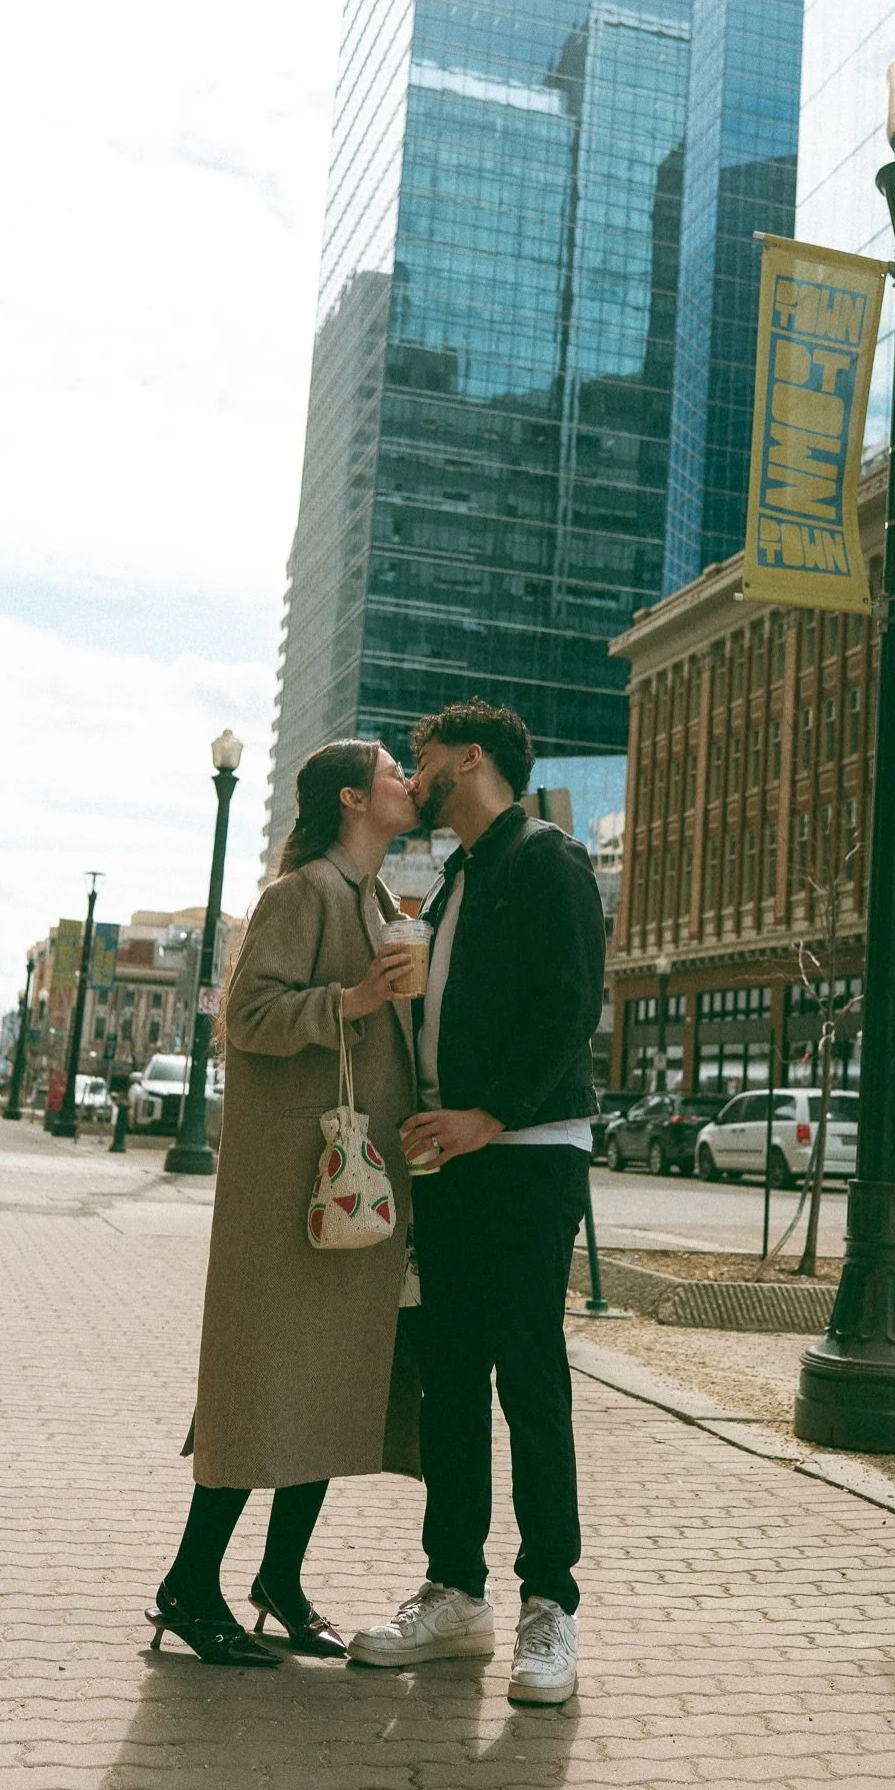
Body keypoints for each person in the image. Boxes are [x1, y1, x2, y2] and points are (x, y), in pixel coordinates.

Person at [347, 699, 604, 1707]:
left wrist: (488, 1114)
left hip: (526, 1151)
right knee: (451, 1379)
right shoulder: (451, 880)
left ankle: (552, 1605)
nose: (414, 777)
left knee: (528, 1377)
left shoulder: (548, 858)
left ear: (471, 757)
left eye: (423, 760)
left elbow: (571, 1002)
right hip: (452, 1154)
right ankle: (457, 1591)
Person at [146, 740, 422, 1666]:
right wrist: (348, 999)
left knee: (334, 1384)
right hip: (290, 1191)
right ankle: (189, 1585)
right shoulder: (300, 894)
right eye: (391, 771)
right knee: (259, 1384)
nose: (406, 782)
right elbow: (247, 1018)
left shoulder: (382, 903)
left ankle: (280, 1580)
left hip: (358, 1188)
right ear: (352, 796)